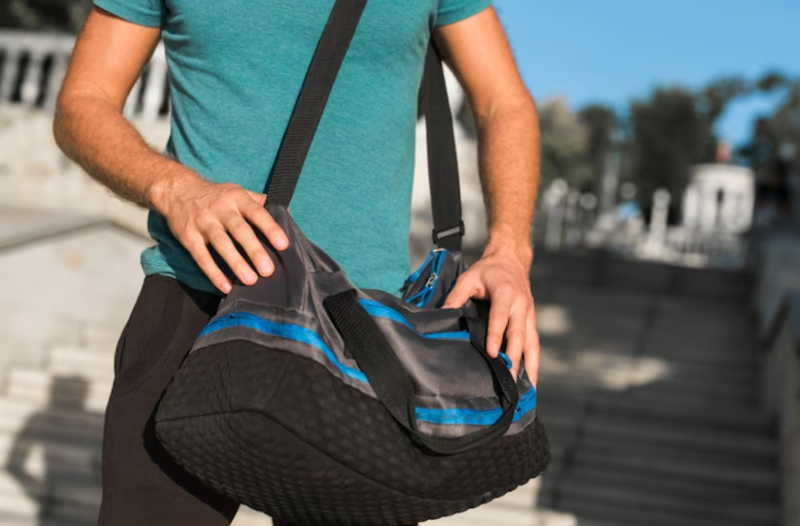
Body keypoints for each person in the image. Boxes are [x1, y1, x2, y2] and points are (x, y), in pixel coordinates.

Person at [53, 1, 542, 525]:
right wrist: (174, 187)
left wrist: (510, 251)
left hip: (365, 333)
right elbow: (83, 100)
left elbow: (502, 102)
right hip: (200, 299)